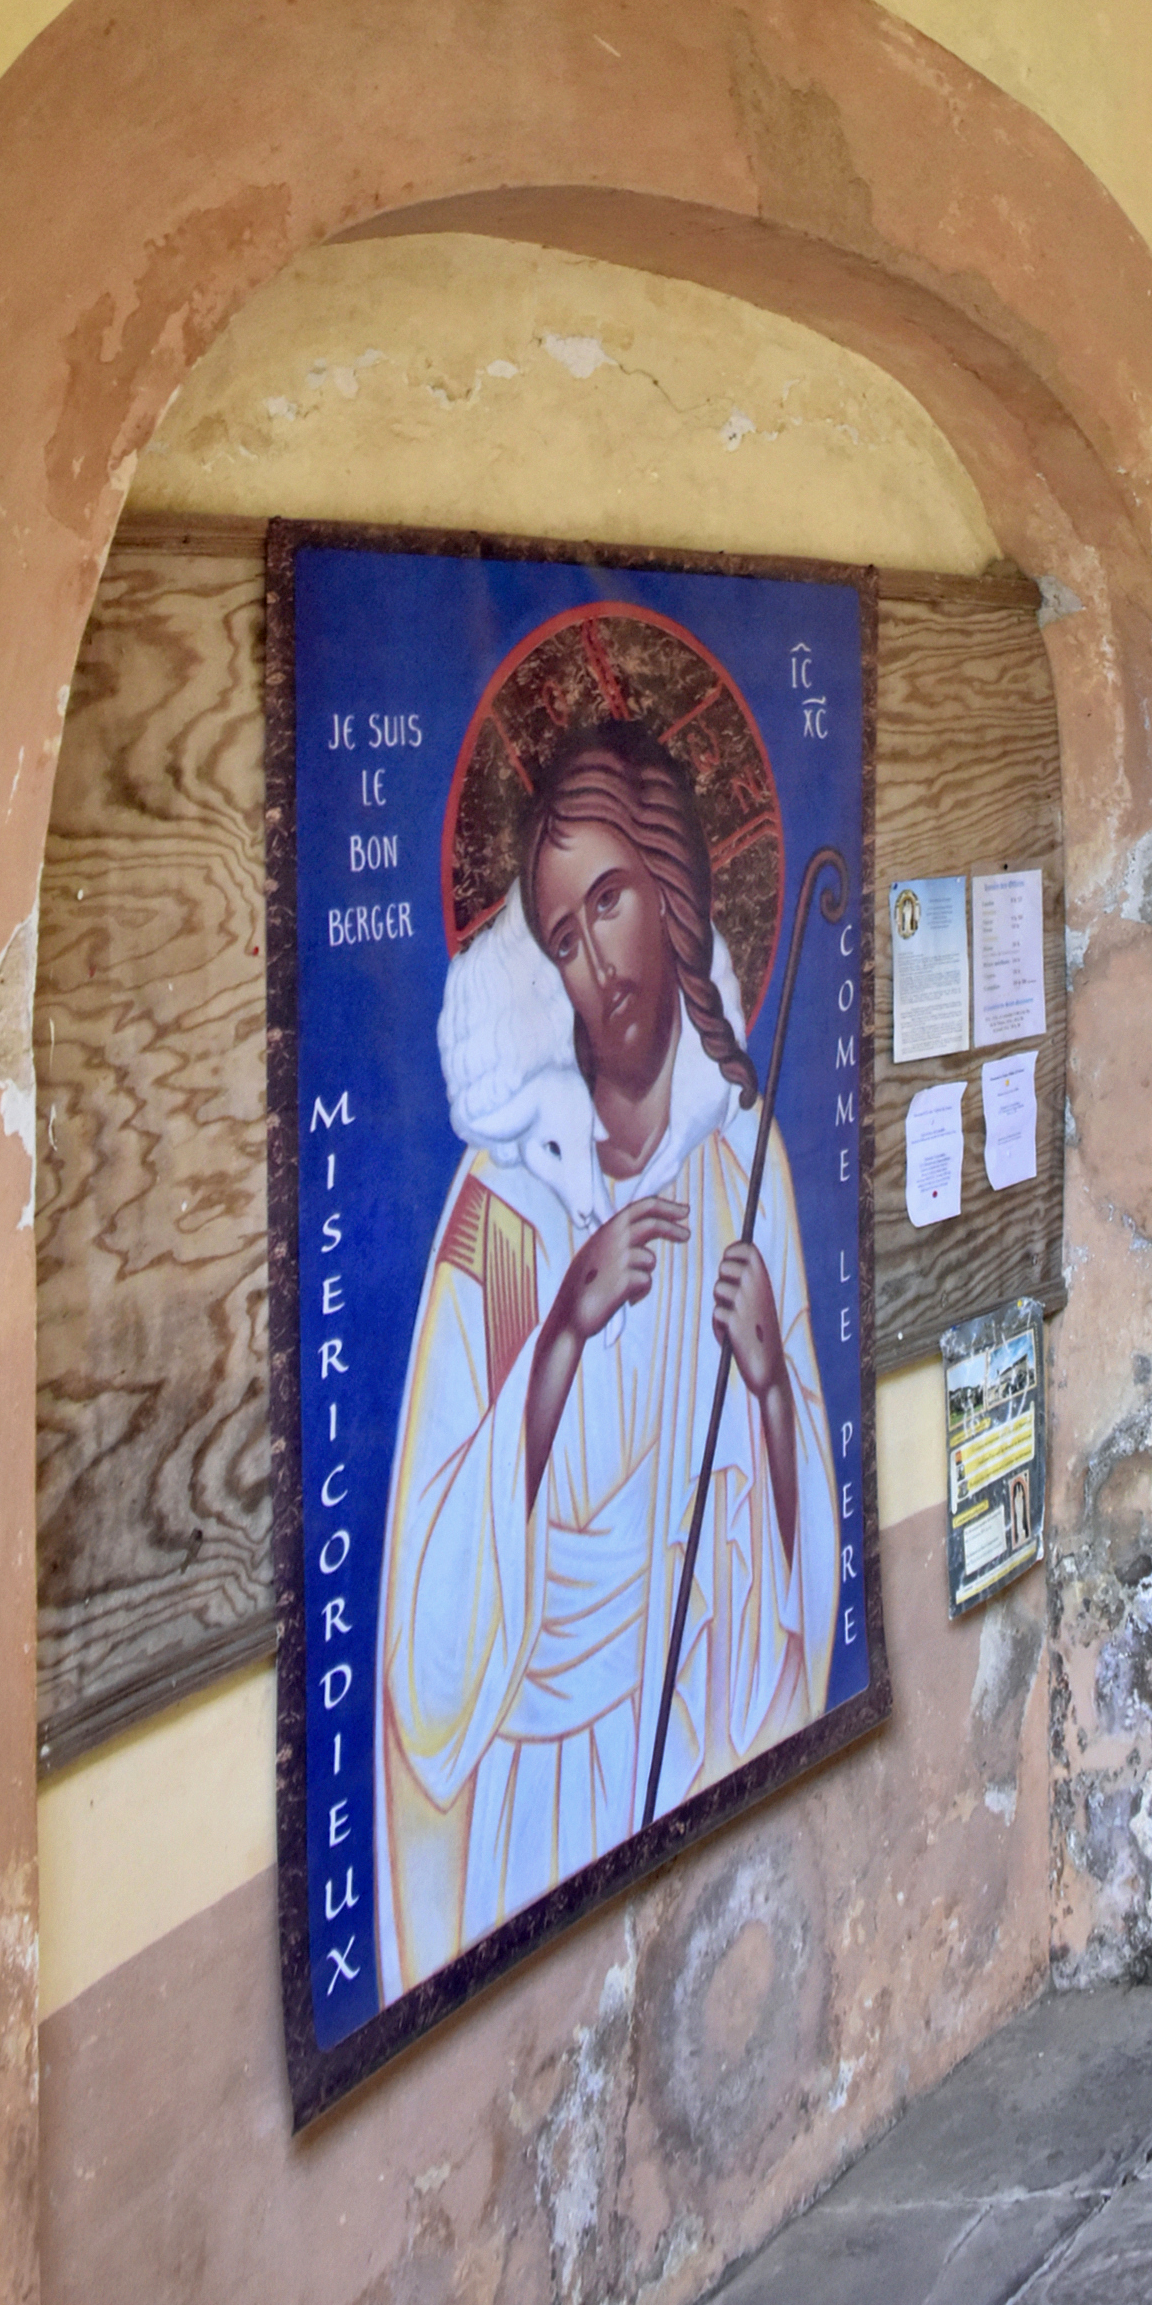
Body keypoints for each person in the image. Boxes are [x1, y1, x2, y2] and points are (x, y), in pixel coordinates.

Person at [376, 705, 834, 1988]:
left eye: (614, 901)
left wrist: (771, 1388)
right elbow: (433, 1604)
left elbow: (797, 1562)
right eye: (563, 937)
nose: (598, 963)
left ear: (675, 888)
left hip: (696, 1716)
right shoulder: (504, 1208)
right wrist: (564, 1330)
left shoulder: (742, 1158)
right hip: (542, 1777)